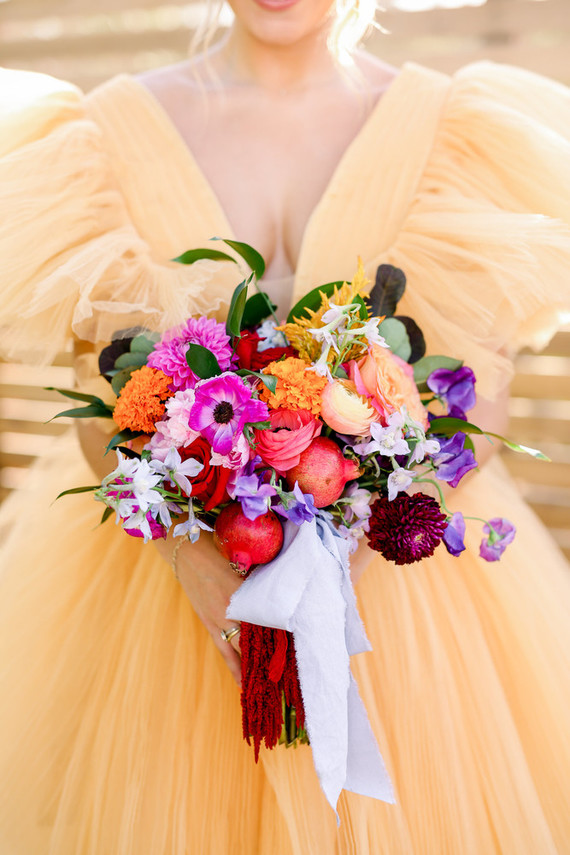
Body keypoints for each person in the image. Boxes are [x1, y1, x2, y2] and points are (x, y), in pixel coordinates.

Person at [1, 1, 569, 852]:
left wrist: (349, 565)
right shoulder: (99, 137)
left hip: (398, 596)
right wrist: (193, 566)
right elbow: (103, 398)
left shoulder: (459, 132)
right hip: (167, 591)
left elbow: (480, 398)